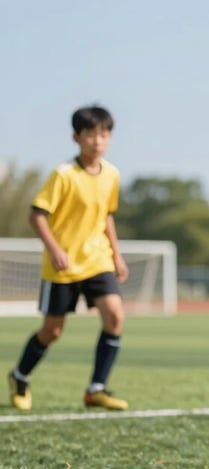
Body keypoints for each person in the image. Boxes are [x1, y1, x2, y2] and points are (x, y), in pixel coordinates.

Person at [7, 105, 129, 412]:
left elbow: (107, 216)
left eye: (104, 134)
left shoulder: (112, 174)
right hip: (63, 265)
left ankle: (96, 389)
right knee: (53, 331)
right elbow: (37, 215)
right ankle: (20, 376)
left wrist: (117, 254)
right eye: (91, 135)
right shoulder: (63, 175)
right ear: (77, 137)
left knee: (115, 315)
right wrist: (55, 248)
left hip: (97, 260)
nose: (98, 141)